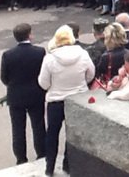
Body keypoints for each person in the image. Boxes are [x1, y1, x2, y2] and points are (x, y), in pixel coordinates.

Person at [38, 25, 95, 176]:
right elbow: (91, 74)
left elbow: (43, 83)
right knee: (73, 134)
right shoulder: (83, 54)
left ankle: (49, 167)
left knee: (52, 133)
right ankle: (68, 164)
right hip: (77, 99)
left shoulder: (50, 59)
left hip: (56, 100)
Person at [0, 23, 46, 165]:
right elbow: (43, 73)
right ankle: (42, 153)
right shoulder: (39, 52)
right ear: (29, 35)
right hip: (36, 94)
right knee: (38, 126)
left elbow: (4, 77)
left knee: (18, 128)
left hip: (16, 96)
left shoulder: (8, 55)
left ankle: (21, 158)